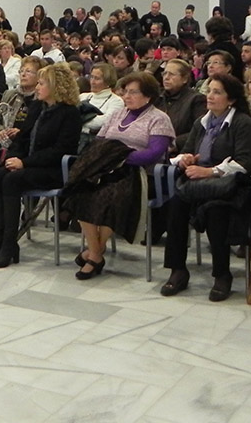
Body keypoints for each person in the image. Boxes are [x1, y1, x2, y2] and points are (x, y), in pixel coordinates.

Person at [161, 74, 251, 300]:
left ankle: (222, 275)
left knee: (217, 211)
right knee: (175, 206)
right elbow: (184, 153)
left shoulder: (242, 123)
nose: (210, 96)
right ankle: (178, 270)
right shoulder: (202, 122)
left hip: (230, 186)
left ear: (231, 99)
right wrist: (186, 159)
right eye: (209, 91)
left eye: (217, 92)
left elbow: (245, 163)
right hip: (198, 183)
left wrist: (210, 171)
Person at [67, 72, 175, 279]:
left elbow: (153, 153)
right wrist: (109, 159)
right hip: (107, 168)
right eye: (125, 92)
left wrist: (119, 158)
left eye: (133, 92)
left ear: (148, 96)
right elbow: (99, 142)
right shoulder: (117, 115)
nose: (126, 96)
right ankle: (96, 252)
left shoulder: (159, 119)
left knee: (111, 197)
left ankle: (94, 254)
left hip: (139, 173)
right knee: (81, 191)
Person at [0, 63, 81, 268]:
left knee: (11, 180)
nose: (37, 87)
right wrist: (13, 158)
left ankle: (9, 244)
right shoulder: (37, 107)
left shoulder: (70, 114)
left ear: (56, 87)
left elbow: (60, 151)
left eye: (42, 83)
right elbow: (22, 138)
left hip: (53, 169)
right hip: (29, 164)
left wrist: (23, 162)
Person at [158, 59, 207, 153]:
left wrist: (175, 143)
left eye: (172, 74)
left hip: (180, 152)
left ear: (184, 79)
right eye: (165, 73)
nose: (166, 78)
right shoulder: (158, 98)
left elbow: (200, 130)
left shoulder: (196, 99)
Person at [79, 63, 124, 142]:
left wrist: (79, 121)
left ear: (108, 82)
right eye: (91, 77)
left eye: (97, 78)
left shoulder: (116, 101)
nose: (92, 81)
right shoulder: (83, 96)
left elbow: (104, 122)